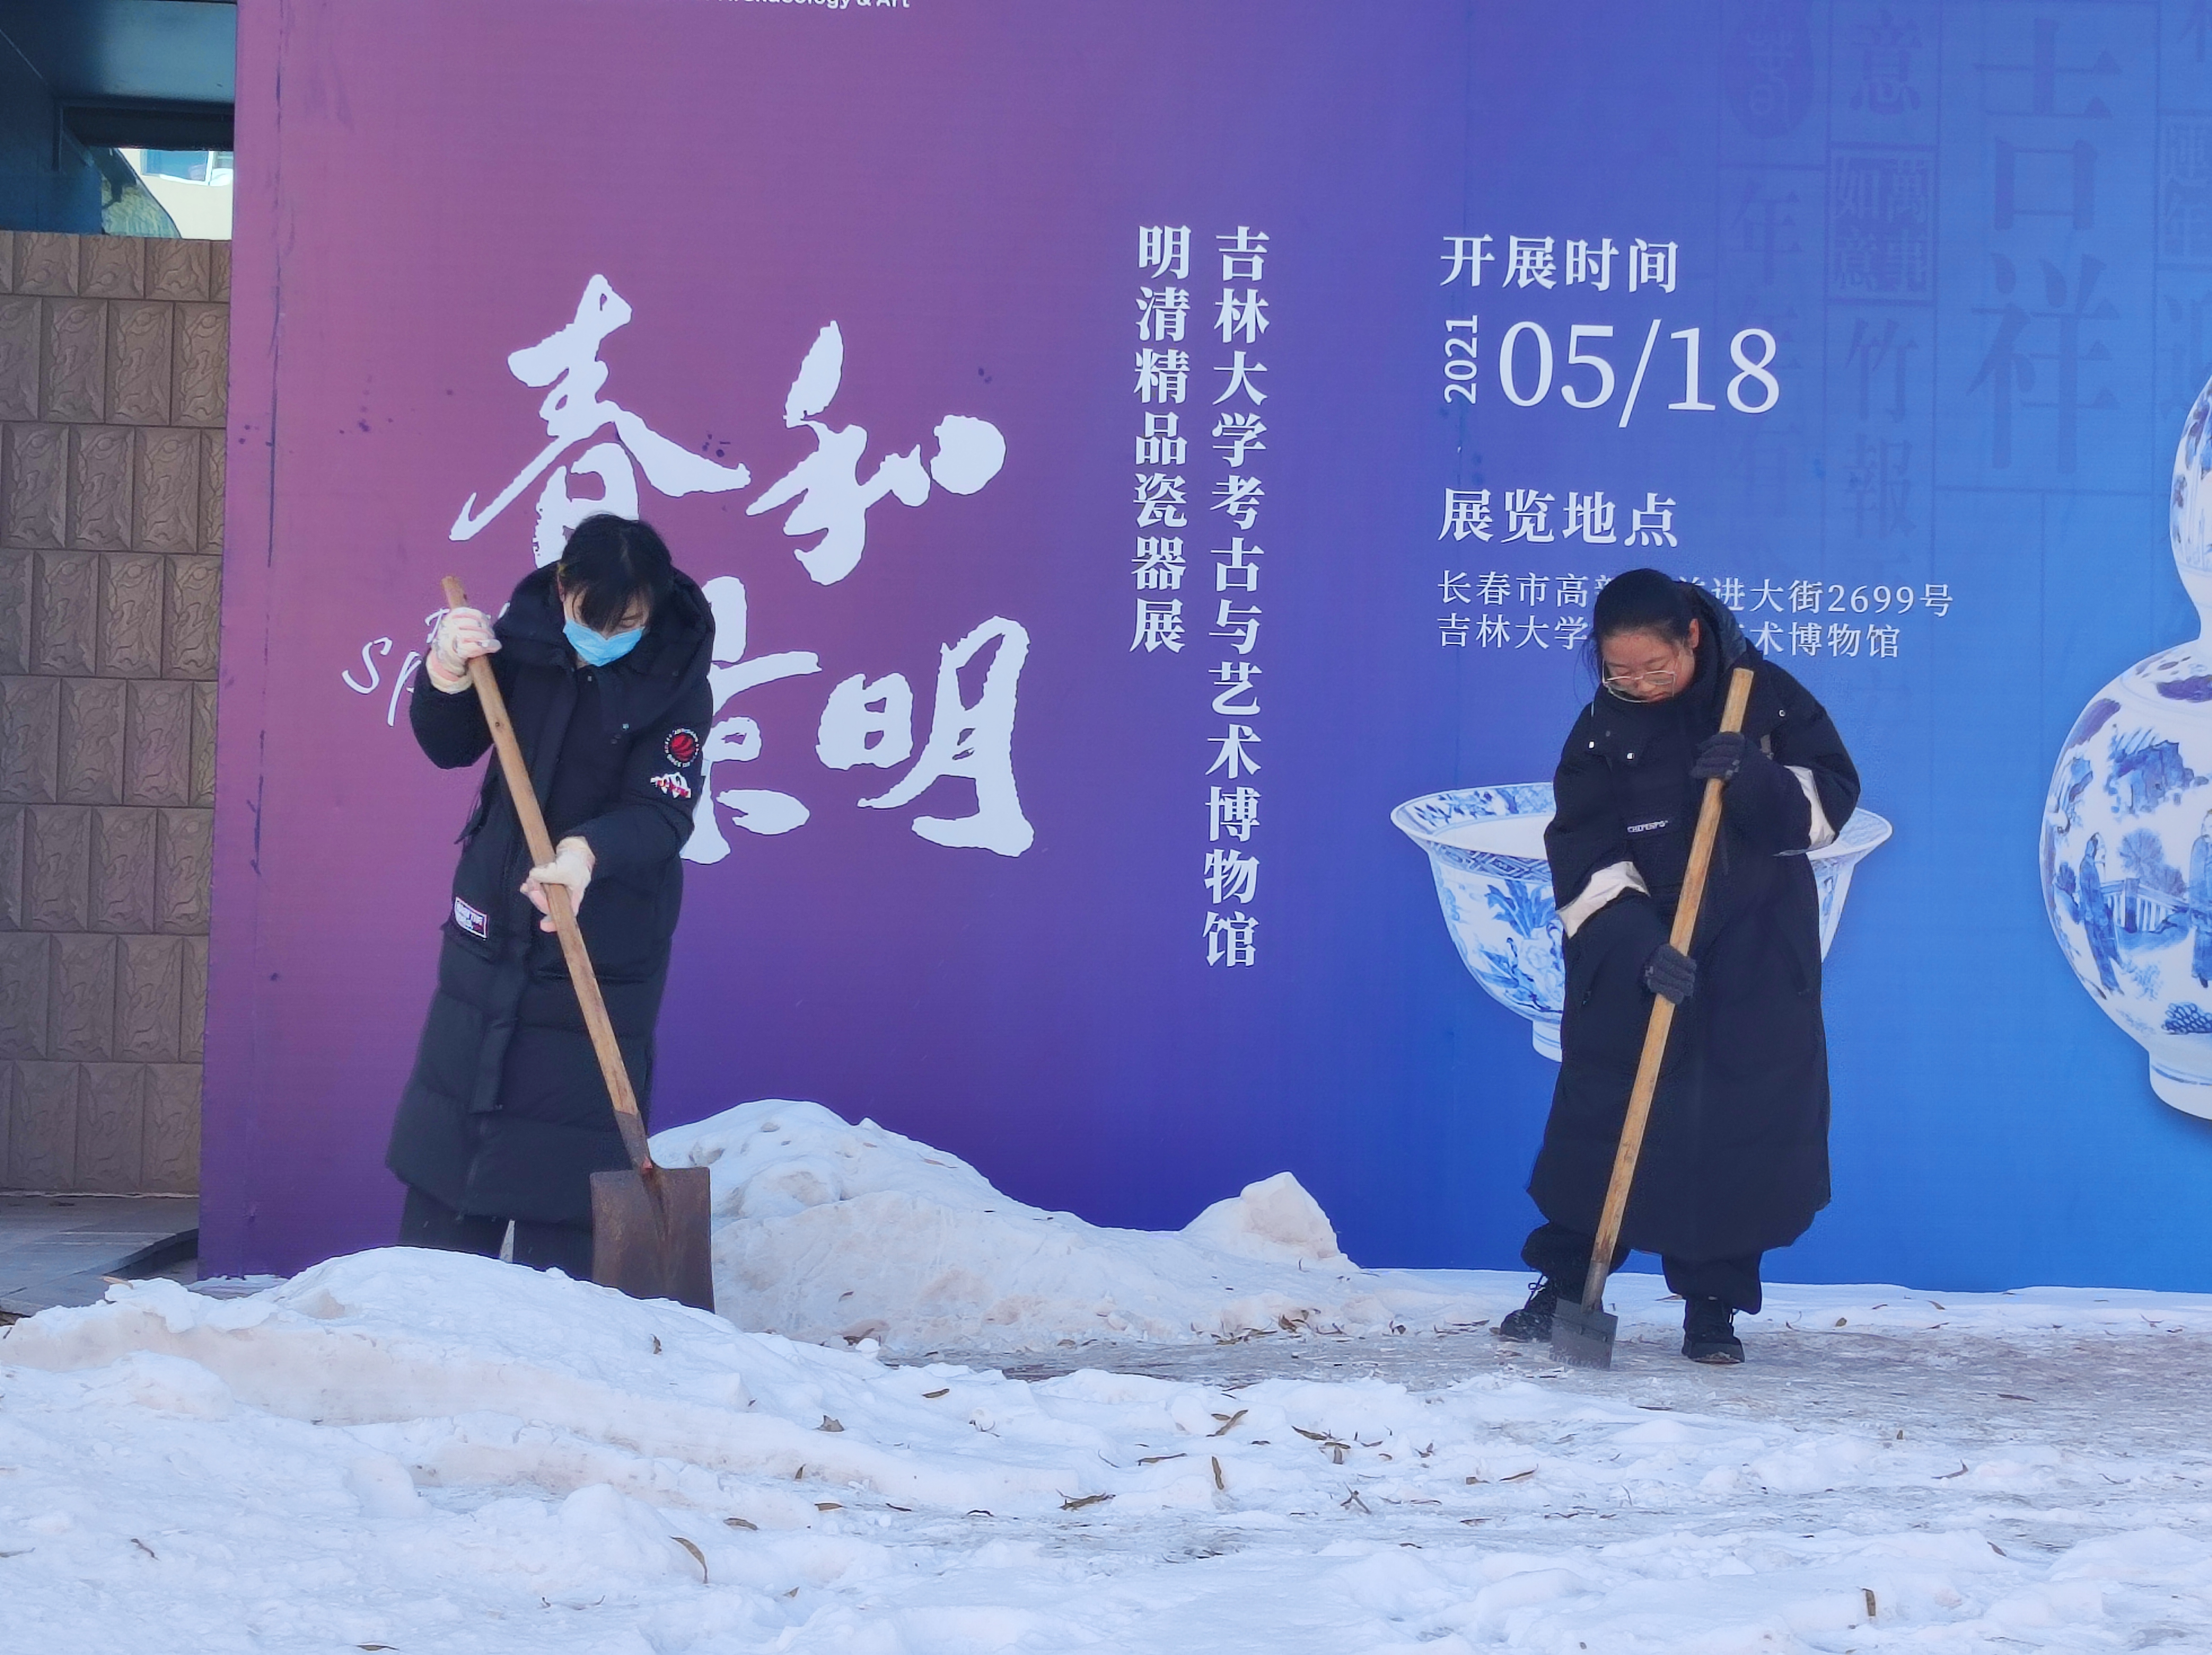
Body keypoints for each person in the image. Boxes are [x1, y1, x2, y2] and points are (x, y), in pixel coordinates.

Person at [1495, 569, 1860, 1363]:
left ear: (1691, 638)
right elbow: (1582, 846)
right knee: (1604, 1124)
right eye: (1618, 671)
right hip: (1641, 956)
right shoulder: (1599, 729)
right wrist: (1639, 947)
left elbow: (1830, 806)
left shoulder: (1763, 698)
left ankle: (1713, 1308)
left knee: (1733, 1128)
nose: (1637, 684)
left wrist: (1754, 774)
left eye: (1653, 668)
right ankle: (1568, 1286)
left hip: (1754, 955)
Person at [384, 514, 713, 1277]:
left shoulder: (676, 682)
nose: (605, 637)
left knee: (567, 1162)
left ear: (654, 609)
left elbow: (662, 812)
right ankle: (425, 1309)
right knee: (454, 1142)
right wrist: (445, 673)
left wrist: (586, 853)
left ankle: (558, 1320)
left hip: (604, 938)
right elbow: (448, 745)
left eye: (626, 625)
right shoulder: (520, 643)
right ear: (564, 588)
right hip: (494, 924)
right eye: (591, 619)